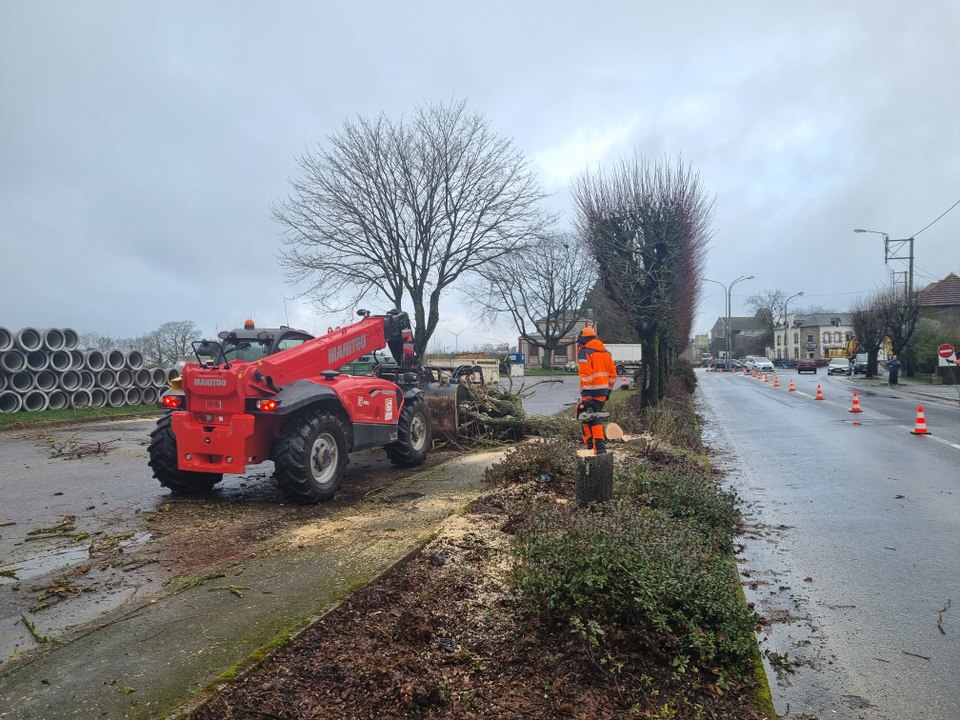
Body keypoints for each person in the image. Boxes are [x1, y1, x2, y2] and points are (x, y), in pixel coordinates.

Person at [575, 325, 618, 454]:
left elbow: (586, 375)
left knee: (592, 417)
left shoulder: (585, 352)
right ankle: (589, 444)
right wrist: (608, 391)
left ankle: (599, 448)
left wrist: (586, 394)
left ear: (585, 339)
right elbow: (613, 375)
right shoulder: (606, 353)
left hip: (590, 392)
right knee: (584, 414)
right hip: (602, 392)